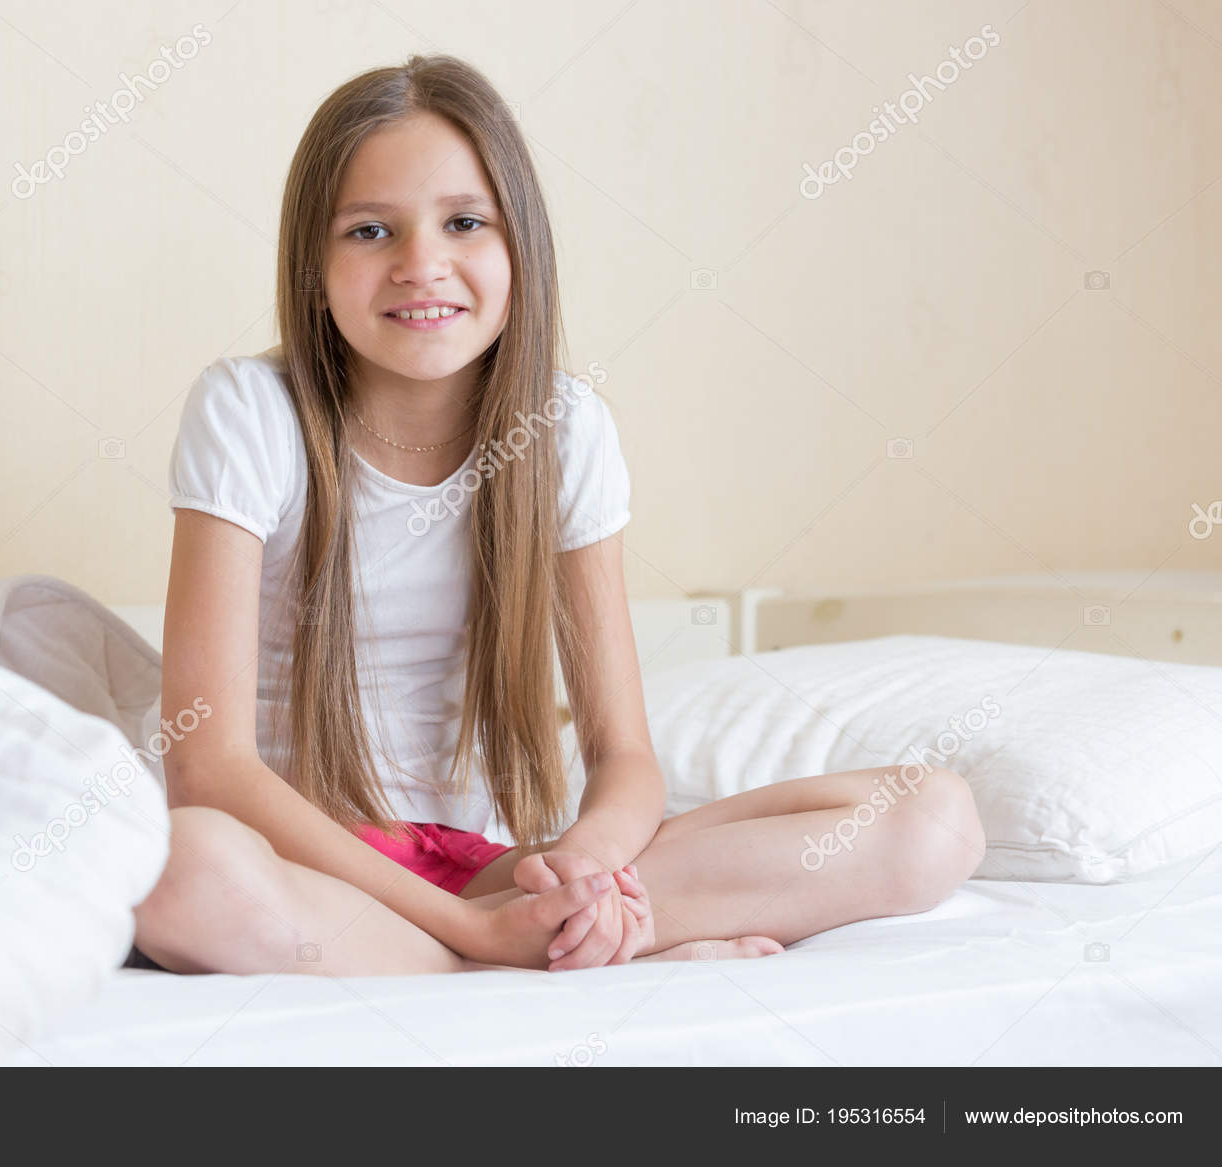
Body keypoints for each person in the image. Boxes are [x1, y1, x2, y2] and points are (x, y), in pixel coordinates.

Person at [130, 54, 984, 976]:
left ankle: (558, 943)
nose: (423, 265)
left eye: (464, 222)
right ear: (314, 266)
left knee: (931, 817)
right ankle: (496, 966)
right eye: (371, 230)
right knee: (180, 870)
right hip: (313, 873)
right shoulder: (250, 410)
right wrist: (474, 932)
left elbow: (624, 760)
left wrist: (584, 877)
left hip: (491, 870)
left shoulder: (564, 430)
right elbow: (206, 769)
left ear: (519, 246)